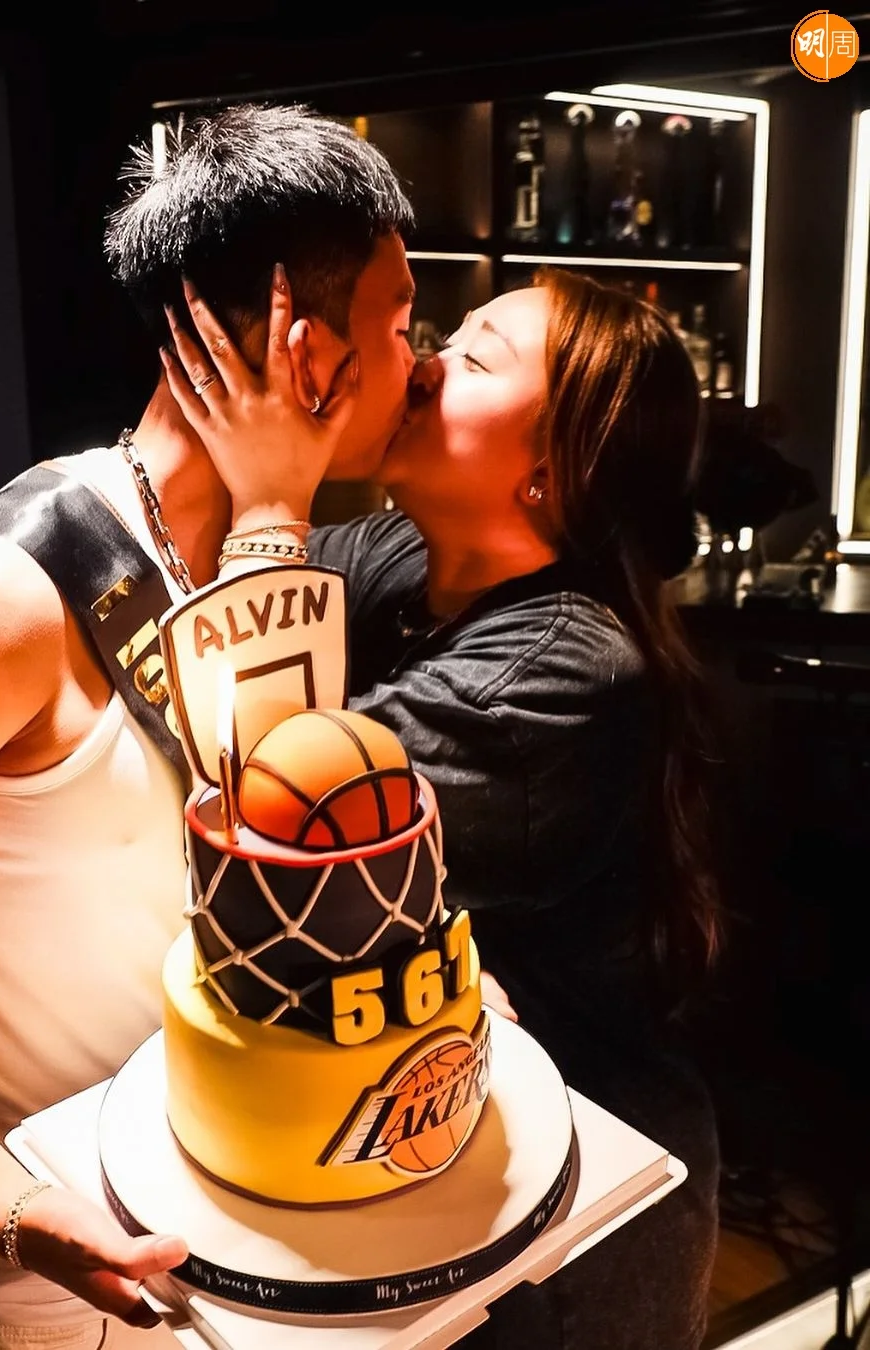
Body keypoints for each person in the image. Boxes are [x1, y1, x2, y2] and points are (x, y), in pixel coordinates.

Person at [0, 101, 418, 1349]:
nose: (424, 361)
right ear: (309, 352)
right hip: (38, 1301)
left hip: (253, 1257)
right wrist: (15, 1208)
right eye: (402, 327)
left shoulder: (283, 562)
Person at [161, 262, 728, 1349]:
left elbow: (267, 802)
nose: (426, 362)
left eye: (475, 357)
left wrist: (273, 505)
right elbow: (200, 638)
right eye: (439, 333)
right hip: (428, 1153)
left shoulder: (563, 670)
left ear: (551, 470)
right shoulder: (401, 555)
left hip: (573, 1214)